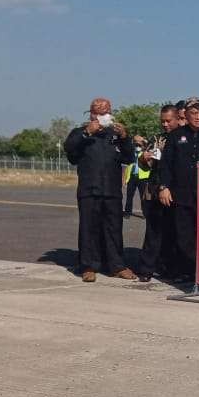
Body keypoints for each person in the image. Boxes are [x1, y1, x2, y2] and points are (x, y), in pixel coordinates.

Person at [64, 97, 138, 282]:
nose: (103, 115)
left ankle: (117, 266)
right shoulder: (80, 133)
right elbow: (70, 151)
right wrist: (87, 133)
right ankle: (89, 266)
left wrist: (124, 137)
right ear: (91, 114)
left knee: (114, 229)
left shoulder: (115, 134)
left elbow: (129, 158)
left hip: (112, 190)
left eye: (106, 112)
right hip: (90, 190)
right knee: (89, 229)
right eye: (99, 112)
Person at [157, 97, 199, 283]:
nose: (198, 117)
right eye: (194, 113)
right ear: (186, 115)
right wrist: (164, 187)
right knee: (184, 236)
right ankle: (187, 270)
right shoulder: (176, 136)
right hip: (181, 194)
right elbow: (166, 164)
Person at [135, 104, 182, 282]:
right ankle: (146, 269)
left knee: (174, 233)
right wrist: (144, 158)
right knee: (154, 232)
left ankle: (172, 269)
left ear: (177, 119)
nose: (165, 124)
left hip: (177, 192)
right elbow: (144, 161)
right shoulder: (157, 139)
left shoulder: (183, 138)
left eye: (168, 121)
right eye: (162, 121)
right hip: (156, 191)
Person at [122, 136, 148, 218]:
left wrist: (143, 140)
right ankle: (127, 213)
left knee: (143, 197)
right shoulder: (131, 155)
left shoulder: (145, 154)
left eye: (139, 146)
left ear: (143, 147)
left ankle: (145, 213)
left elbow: (147, 145)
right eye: (136, 145)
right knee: (129, 196)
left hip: (142, 177)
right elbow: (127, 167)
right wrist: (125, 178)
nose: (138, 147)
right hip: (132, 177)